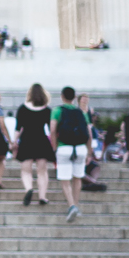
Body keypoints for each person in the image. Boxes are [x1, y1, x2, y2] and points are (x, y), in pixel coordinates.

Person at [50, 86, 92, 222]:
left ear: (62, 96)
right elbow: (89, 134)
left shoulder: (57, 110)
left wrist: (54, 148)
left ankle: (71, 205)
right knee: (77, 178)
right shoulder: (81, 112)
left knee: (65, 179)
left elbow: (52, 130)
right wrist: (89, 152)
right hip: (80, 148)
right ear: (75, 98)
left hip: (64, 147)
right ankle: (76, 204)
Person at [14, 83, 53, 206]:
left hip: (26, 141)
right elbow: (51, 129)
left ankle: (29, 189)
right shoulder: (47, 110)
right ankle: (42, 196)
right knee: (42, 171)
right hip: (41, 140)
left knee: (26, 171)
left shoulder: (22, 108)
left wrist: (14, 142)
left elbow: (18, 128)